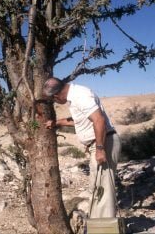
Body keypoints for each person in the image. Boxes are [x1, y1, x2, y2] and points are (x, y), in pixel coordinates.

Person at [43, 77, 121, 218]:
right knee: (97, 188)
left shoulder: (81, 95)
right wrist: (57, 122)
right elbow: (80, 120)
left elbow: (99, 120)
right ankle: (99, 225)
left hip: (105, 143)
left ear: (56, 96)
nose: (56, 102)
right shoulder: (75, 97)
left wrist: (99, 148)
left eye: (54, 100)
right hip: (100, 143)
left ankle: (103, 228)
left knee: (103, 191)